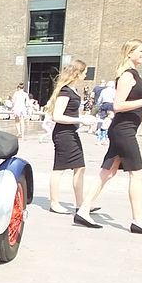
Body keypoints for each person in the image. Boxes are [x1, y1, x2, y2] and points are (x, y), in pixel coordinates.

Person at [75, 39, 142, 234]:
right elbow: (118, 105)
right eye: (140, 51)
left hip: (125, 129)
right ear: (129, 53)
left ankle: (83, 210)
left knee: (107, 172)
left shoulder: (133, 74)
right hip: (123, 130)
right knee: (137, 173)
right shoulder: (127, 75)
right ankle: (138, 220)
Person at [46, 59, 97, 215]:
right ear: (77, 73)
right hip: (63, 134)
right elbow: (57, 116)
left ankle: (80, 203)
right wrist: (81, 119)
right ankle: (54, 202)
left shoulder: (71, 91)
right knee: (59, 168)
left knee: (80, 167)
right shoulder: (66, 91)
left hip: (70, 133)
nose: (86, 75)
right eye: (84, 72)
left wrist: (83, 118)